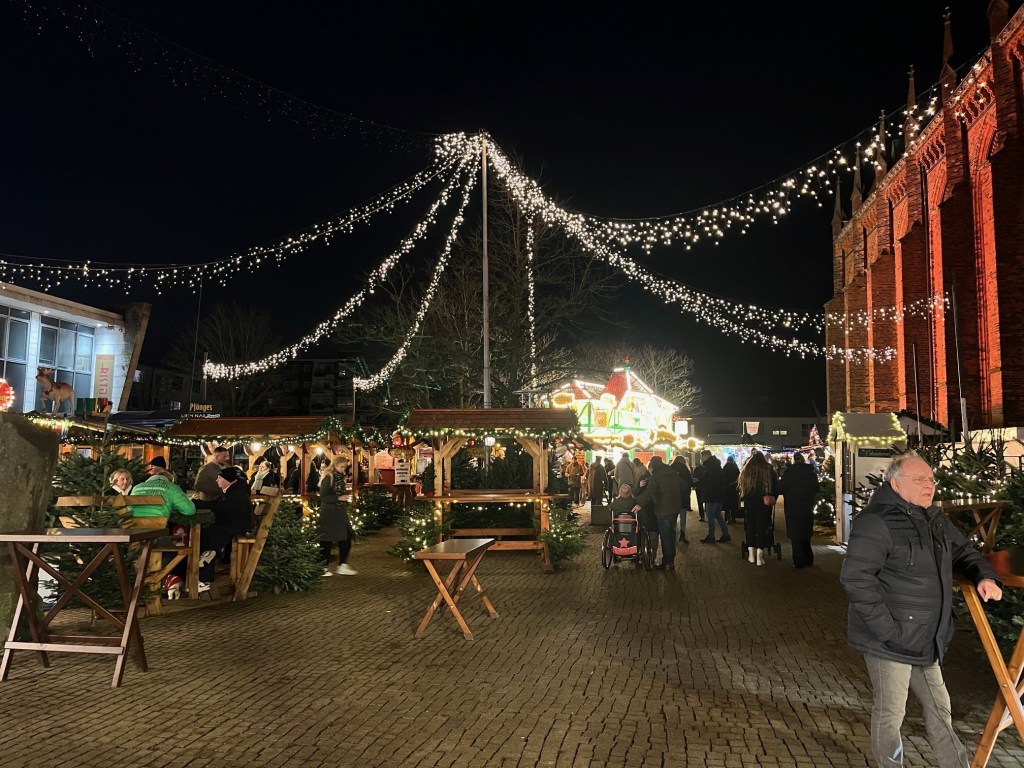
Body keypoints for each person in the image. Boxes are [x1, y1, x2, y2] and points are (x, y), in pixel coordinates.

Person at [840, 451, 1002, 768]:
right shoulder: (876, 521)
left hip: (927, 637)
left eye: (930, 479)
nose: (929, 485)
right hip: (889, 640)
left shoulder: (934, 518)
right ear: (896, 484)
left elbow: (965, 551)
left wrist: (985, 576)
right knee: (891, 713)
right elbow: (856, 578)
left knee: (940, 708)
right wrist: (888, 631)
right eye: (919, 480)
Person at [129, 469, 219, 593]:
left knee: (161, 547)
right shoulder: (171, 488)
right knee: (176, 553)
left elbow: (129, 508)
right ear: (170, 480)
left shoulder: (137, 488)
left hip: (134, 534)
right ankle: (181, 583)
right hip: (156, 534)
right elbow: (189, 510)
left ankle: (159, 581)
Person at [193, 465, 253, 573]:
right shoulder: (233, 490)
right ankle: (203, 570)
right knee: (204, 535)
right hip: (232, 525)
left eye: (220, 478)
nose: (217, 480)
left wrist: (195, 504)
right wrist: (197, 503)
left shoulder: (234, 493)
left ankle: (203, 576)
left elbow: (218, 507)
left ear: (228, 480)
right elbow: (217, 505)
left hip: (233, 527)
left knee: (205, 537)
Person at [632, 455, 681, 570]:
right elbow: (683, 485)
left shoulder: (656, 475)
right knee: (671, 536)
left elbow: (649, 492)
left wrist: (639, 504)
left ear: (653, 466)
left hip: (663, 510)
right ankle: (670, 561)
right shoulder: (672, 472)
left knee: (665, 537)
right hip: (674, 509)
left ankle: (667, 563)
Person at [777, 453, 819, 568]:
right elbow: (816, 488)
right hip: (808, 507)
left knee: (796, 536)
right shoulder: (811, 473)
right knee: (806, 534)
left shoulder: (789, 474)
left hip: (793, 508)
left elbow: (780, 489)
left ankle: (799, 561)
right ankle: (808, 559)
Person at [737, 451, 779, 566]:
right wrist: (773, 497)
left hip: (750, 501)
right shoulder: (769, 469)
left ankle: (751, 553)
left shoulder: (747, 469)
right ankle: (760, 556)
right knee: (762, 526)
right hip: (764, 502)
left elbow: (742, 488)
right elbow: (776, 486)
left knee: (750, 526)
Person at [319, 455, 356, 576]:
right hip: (329, 513)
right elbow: (323, 496)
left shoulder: (340, 478)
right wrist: (339, 498)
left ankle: (343, 564)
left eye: (344, 467)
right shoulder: (328, 477)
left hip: (339, 512)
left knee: (346, 537)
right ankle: (323, 567)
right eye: (341, 467)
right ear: (335, 465)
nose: (343, 469)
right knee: (327, 540)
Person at [697, 450, 729, 543]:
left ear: (706, 456)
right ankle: (725, 534)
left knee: (710, 516)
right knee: (718, 515)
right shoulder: (715, 465)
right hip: (718, 495)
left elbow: (710, 482)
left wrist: (700, 480)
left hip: (712, 496)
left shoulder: (710, 467)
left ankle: (711, 536)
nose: (701, 459)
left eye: (701, 457)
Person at [669, 455, 692, 543]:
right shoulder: (685, 469)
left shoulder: (670, 468)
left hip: (673, 497)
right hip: (683, 496)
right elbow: (689, 483)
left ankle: (673, 532)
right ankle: (682, 533)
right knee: (683, 516)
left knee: (673, 516)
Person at [722, 455, 740, 524]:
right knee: (733, 504)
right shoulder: (736, 468)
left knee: (727, 505)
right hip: (734, 489)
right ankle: (733, 518)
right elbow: (739, 478)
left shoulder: (725, 467)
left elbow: (723, 478)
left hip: (726, 489)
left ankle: (727, 518)